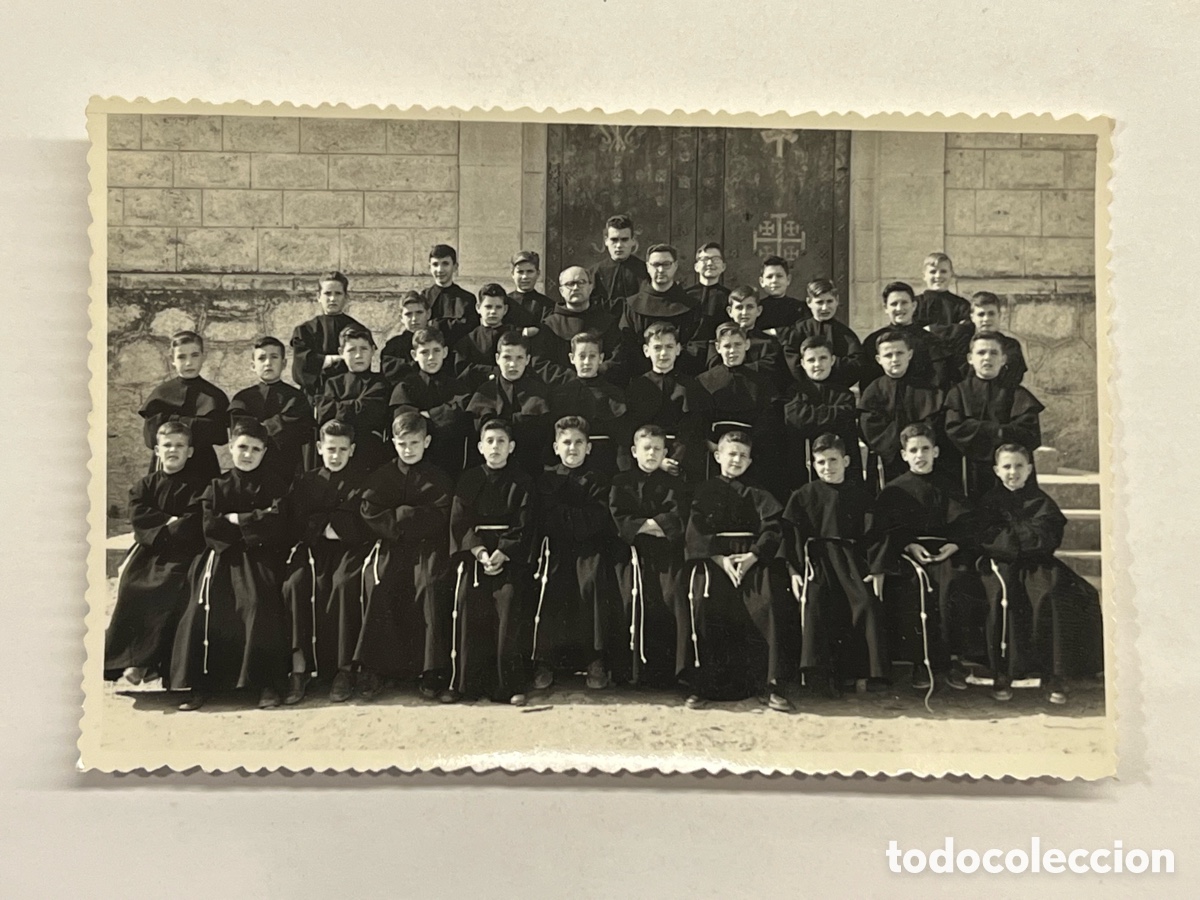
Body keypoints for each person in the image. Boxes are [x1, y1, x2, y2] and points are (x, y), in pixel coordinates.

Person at [170, 420, 291, 711]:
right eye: (242, 447)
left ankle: (265, 684)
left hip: (260, 555)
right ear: (231, 448)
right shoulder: (217, 486)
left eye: (255, 449)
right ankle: (202, 684)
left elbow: (276, 522)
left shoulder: (274, 485)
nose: (247, 455)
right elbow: (211, 526)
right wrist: (254, 518)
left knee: (258, 602)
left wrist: (238, 519)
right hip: (222, 555)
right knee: (205, 603)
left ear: (264, 452)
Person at [974, 444, 1104, 704]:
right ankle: (1003, 673)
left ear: (1029, 469)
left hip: (1037, 562)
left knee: (1054, 593)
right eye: (1007, 466)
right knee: (1002, 595)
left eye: (1019, 466)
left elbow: (1048, 537)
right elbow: (985, 536)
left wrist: (1013, 538)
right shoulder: (988, 502)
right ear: (997, 471)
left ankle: (1054, 674)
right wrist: (1020, 539)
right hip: (1001, 562)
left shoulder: (1041, 501)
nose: (1013, 472)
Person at [683, 430, 792, 711]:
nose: (737, 460)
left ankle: (769, 685)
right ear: (718, 456)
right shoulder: (705, 490)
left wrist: (753, 556)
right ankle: (705, 685)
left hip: (751, 558)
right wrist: (720, 559)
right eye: (731, 454)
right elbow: (696, 531)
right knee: (706, 604)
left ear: (750, 460)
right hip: (715, 559)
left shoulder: (759, 492)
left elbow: (772, 528)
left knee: (766, 603)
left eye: (743, 455)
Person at [870, 423, 978, 696]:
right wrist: (908, 544)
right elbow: (886, 529)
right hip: (909, 552)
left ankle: (951, 660)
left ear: (936, 452)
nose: (920, 455)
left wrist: (955, 544)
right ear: (904, 455)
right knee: (913, 586)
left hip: (946, 551)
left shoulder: (949, 485)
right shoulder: (895, 490)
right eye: (914, 450)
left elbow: (966, 523)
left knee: (954, 582)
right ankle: (920, 661)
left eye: (925, 449)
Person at [354, 412, 456, 701]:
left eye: (414, 443)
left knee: (429, 585)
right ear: (394, 443)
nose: (408, 450)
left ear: (427, 442)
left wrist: (401, 516)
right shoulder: (382, 476)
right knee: (379, 583)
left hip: (427, 545)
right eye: (402, 444)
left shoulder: (438, 476)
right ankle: (377, 668)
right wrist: (404, 521)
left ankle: (431, 669)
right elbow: (370, 511)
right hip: (392, 544)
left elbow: (441, 513)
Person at [780, 433, 888, 698]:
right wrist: (794, 571)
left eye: (833, 460)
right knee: (816, 602)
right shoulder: (803, 495)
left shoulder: (861, 497)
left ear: (846, 461)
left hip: (850, 562)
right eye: (821, 462)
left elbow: (875, 536)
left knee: (865, 602)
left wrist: (877, 569)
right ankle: (819, 675)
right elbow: (791, 538)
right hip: (817, 562)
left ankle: (862, 673)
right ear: (812, 464)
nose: (827, 467)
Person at [104, 422, 208, 686]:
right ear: (157, 450)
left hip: (182, 552)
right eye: (167, 445)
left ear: (190, 452)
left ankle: (149, 662)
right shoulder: (145, 486)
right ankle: (130, 658)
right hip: (149, 549)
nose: (173, 450)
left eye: (179, 445)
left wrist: (164, 523)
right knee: (132, 583)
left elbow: (192, 520)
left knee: (171, 585)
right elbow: (139, 514)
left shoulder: (198, 486)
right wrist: (169, 521)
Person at [280, 420, 374, 705]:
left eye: (342, 449)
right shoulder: (307, 481)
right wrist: (324, 526)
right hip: (313, 548)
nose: (336, 456)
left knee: (344, 584)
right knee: (295, 584)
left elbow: (363, 520)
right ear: (319, 448)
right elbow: (297, 520)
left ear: (352, 450)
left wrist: (331, 524)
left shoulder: (362, 480)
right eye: (331, 449)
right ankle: (299, 668)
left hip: (349, 549)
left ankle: (344, 669)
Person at [447, 418, 536, 705]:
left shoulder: (523, 481)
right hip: (477, 555)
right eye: (489, 441)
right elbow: (460, 522)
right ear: (480, 447)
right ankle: (467, 684)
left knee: (508, 600)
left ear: (511, 447)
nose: (495, 447)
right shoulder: (469, 479)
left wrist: (504, 552)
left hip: (510, 556)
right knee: (467, 599)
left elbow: (526, 523)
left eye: (501, 441)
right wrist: (480, 552)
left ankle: (509, 685)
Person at [531, 416, 623, 691]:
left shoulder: (598, 480)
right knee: (551, 583)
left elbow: (597, 518)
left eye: (579, 442)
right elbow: (547, 517)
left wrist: (566, 517)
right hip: (555, 547)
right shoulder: (547, 479)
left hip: (588, 547)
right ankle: (545, 660)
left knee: (591, 581)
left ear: (589, 447)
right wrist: (575, 518)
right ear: (556, 447)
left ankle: (594, 658)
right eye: (567, 442)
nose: (572, 448)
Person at [609, 425, 687, 688]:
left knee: (672, 594)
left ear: (665, 453)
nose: (651, 453)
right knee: (628, 597)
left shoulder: (674, 483)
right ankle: (630, 672)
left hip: (665, 552)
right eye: (646, 448)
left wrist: (644, 524)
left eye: (657, 449)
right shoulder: (621, 481)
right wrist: (654, 525)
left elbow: (677, 518)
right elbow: (620, 518)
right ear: (634, 451)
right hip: (631, 551)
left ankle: (667, 673)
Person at [943, 334, 1045, 499]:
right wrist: (1002, 431)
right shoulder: (958, 393)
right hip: (973, 470)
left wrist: (980, 429)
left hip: (1011, 471)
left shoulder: (1017, 393)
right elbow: (955, 430)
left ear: (1003, 359)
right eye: (981, 352)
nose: (987, 358)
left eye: (993, 353)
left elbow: (1029, 434)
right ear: (970, 359)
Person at [688, 323, 781, 488]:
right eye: (727, 346)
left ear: (747, 345)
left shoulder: (761, 381)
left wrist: (749, 448)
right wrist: (711, 444)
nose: (732, 351)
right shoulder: (704, 381)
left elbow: (767, 420)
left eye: (738, 344)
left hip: (751, 451)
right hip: (714, 450)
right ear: (718, 347)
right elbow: (698, 420)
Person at [857, 330, 948, 490]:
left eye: (899, 353)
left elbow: (934, 423)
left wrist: (915, 448)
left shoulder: (928, 390)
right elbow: (870, 430)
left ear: (910, 354)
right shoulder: (873, 392)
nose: (894, 359)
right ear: (879, 359)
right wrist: (902, 448)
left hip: (922, 459)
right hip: (889, 462)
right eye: (888, 355)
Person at [138, 330, 228, 484]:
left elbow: (218, 434)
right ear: (172, 359)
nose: (188, 363)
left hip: (202, 463)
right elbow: (151, 437)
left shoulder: (214, 395)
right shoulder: (161, 394)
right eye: (181, 357)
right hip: (168, 464)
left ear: (204, 356)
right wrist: (197, 425)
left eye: (194, 355)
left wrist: (172, 421)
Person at [388, 327, 475, 480]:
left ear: (445, 352)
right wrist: (443, 414)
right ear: (414, 355)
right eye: (424, 352)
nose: (431, 357)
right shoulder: (405, 387)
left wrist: (428, 415)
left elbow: (461, 414)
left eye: (436, 351)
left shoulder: (457, 387)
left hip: (449, 459)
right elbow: (406, 422)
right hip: (415, 462)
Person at [465, 331, 553, 476]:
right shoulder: (485, 392)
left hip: (530, 468)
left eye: (519, 358)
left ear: (527, 360)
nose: (513, 364)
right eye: (507, 357)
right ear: (497, 359)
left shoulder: (540, 392)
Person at [782, 335, 861, 495]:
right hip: (803, 466)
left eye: (823, 358)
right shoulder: (794, 393)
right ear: (803, 363)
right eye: (811, 360)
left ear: (832, 360)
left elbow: (843, 419)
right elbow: (796, 420)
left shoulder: (844, 394)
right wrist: (831, 414)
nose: (817, 364)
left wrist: (810, 415)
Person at [228, 336, 313, 484]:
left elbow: (301, 432)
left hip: (285, 470)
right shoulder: (242, 398)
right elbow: (241, 432)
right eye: (262, 358)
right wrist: (278, 424)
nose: (268, 363)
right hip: (250, 469)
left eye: (274, 357)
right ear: (253, 365)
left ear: (284, 363)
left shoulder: (296, 398)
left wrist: (259, 428)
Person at [625, 321, 702, 483]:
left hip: (679, 460)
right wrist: (657, 460)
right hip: (646, 456)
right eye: (657, 347)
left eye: (669, 347)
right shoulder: (638, 385)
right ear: (646, 351)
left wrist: (674, 459)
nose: (663, 353)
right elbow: (633, 425)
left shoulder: (689, 386)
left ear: (678, 349)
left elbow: (691, 428)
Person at [615, 243, 703, 377]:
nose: (661, 270)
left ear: (675, 266)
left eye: (666, 264)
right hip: (641, 379)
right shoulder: (632, 305)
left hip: (683, 378)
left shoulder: (691, 305)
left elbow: (696, 345)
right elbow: (626, 345)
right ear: (647, 267)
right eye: (656, 265)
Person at [548, 331, 629, 477]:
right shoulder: (560, 394)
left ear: (601, 358)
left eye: (592, 356)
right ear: (572, 358)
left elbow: (621, 440)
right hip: (568, 463)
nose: (587, 362)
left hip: (604, 462)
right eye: (582, 356)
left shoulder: (614, 394)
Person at [315, 325, 393, 475]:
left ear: (373, 350)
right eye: (351, 350)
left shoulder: (380, 383)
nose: (358, 355)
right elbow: (324, 413)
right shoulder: (332, 383)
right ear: (341, 352)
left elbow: (369, 413)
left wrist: (338, 407)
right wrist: (356, 406)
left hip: (369, 454)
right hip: (337, 454)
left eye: (363, 349)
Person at [529, 265, 624, 383]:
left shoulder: (607, 322)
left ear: (590, 287)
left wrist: (595, 373)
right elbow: (540, 363)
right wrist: (572, 378)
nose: (575, 288)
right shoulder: (549, 325)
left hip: (602, 387)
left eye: (581, 282)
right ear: (561, 291)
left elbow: (618, 358)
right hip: (562, 388)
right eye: (570, 284)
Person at [289, 271, 368, 410]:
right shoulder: (305, 330)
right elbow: (300, 369)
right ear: (318, 297)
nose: (332, 298)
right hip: (314, 398)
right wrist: (331, 359)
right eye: (327, 293)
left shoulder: (358, 330)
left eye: (338, 293)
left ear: (346, 297)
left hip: (348, 396)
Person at [780, 279, 865, 390]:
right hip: (804, 390)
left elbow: (857, 363)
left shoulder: (845, 333)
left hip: (835, 390)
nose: (825, 307)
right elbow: (790, 360)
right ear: (809, 302)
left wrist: (830, 369)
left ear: (837, 300)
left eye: (829, 301)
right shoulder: (798, 330)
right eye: (819, 302)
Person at [932, 291, 1028, 387]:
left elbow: (1013, 377)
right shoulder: (962, 344)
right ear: (972, 317)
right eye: (981, 314)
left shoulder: (1011, 346)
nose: (986, 319)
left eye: (991, 314)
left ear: (999, 316)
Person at [860, 281, 945, 388]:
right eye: (894, 304)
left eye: (904, 303)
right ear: (886, 308)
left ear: (914, 305)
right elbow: (867, 381)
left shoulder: (930, 340)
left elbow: (939, 378)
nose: (899, 308)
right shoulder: (873, 341)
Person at [698, 286, 785, 388]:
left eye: (749, 307)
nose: (744, 312)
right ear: (730, 311)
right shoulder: (716, 345)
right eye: (739, 307)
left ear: (759, 310)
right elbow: (716, 374)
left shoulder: (770, 344)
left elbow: (770, 374)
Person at [453, 283, 519, 386]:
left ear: (505, 309)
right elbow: (462, 373)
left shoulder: (516, 336)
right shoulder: (468, 341)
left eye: (498, 307)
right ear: (478, 308)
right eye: (488, 306)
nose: (493, 311)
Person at [589, 213, 649, 314]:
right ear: (606, 241)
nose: (619, 245)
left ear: (633, 241)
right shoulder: (594, 273)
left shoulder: (645, 270)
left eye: (624, 239)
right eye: (614, 240)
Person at [379, 292, 443, 384]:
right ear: (401, 318)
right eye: (408, 314)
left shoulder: (439, 341)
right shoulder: (393, 347)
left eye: (419, 312)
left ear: (428, 314)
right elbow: (390, 374)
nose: (414, 319)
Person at [424, 243, 478, 344]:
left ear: (455, 267)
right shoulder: (424, 297)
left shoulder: (467, 299)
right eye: (435, 264)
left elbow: (469, 329)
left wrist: (434, 324)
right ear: (429, 267)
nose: (440, 270)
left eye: (445, 264)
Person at [686, 242, 732, 343]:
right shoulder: (686, 295)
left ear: (723, 267)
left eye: (716, 259)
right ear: (696, 267)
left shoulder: (729, 297)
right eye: (705, 259)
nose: (710, 263)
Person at [914, 252, 971, 327]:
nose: (938, 276)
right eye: (933, 272)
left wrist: (932, 329)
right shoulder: (915, 304)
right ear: (924, 276)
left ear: (951, 274)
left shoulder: (961, 305)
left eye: (943, 271)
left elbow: (966, 330)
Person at [756, 255, 811, 333]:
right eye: (769, 277)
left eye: (779, 276)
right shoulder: (756, 309)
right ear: (762, 282)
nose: (774, 280)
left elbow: (803, 332)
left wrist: (776, 332)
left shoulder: (800, 309)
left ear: (788, 279)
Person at [507, 250, 555, 324]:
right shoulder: (504, 302)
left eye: (530, 271)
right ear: (512, 274)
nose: (525, 277)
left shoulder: (547, 305)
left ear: (538, 274)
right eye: (520, 272)